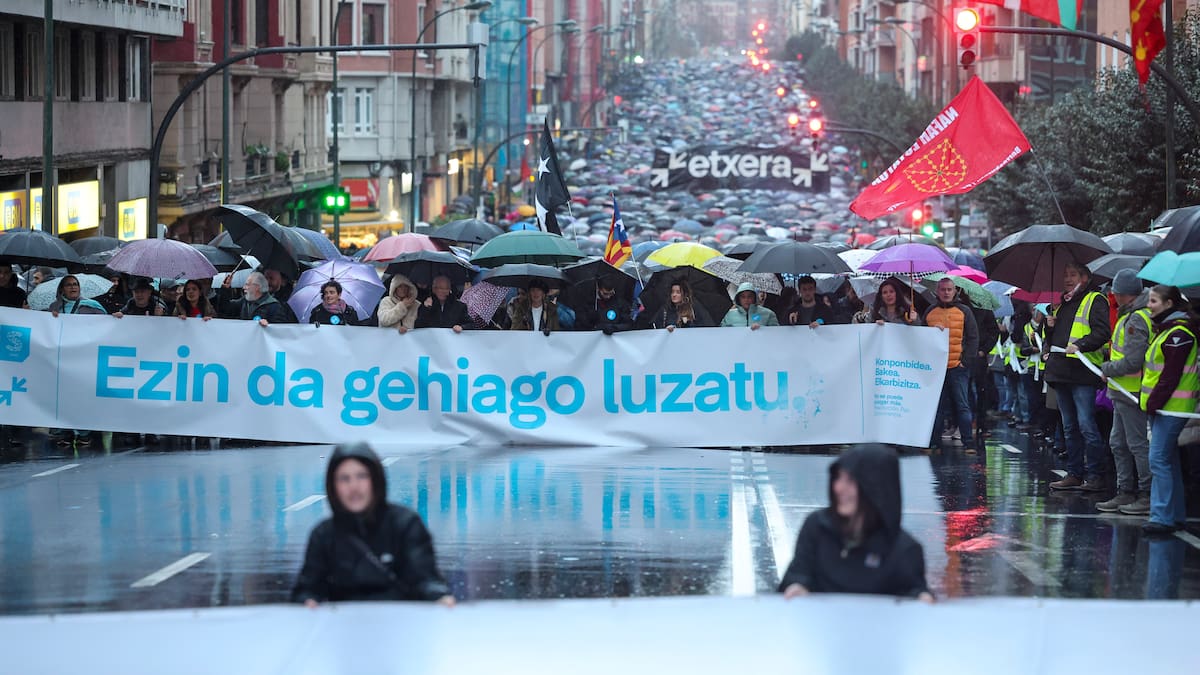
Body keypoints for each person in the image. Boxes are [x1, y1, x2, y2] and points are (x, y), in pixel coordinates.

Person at [291, 443, 455, 605]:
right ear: (333, 486)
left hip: (399, 617)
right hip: (344, 620)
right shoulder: (323, 535)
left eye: (362, 476)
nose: (354, 487)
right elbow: (307, 589)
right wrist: (307, 601)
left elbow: (425, 578)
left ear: (376, 480)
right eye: (344, 479)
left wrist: (438, 597)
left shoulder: (406, 524)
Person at [778, 444, 933, 601]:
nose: (839, 488)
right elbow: (797, 574)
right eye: (838, 478)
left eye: (850, 481)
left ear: (876, 487)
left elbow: (915, 595)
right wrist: (796, 586)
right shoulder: (817, 528)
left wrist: (921, 598)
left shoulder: (904, 550)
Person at [1044, 262, 1112, 492]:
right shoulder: (1062, 303)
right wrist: (1049, 328)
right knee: (1069, 427)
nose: (1067, 279)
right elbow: (1055, 340)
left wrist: (1081, 345)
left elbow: (1102, 332)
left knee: (1086, 425)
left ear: (1085, 278)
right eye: (1065, 275)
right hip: (1061, 373)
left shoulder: (1095, 299)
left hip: (1083, 373)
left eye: (1072, 275)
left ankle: (1095, 475)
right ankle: (1074, 473)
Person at [1138, 285, 1199, 535]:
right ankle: (1174, 515)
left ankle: (1162, 517)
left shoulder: (1178, 334)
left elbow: (1170, 376)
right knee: (1168, 460)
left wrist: (1153, 403)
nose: (1148, 305)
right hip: (1168, 407)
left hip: (1171, 407)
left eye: (1153, 301)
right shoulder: (1170, 331)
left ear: (1169, 304)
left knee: (1159, 460)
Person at [1097, 270, 1152, 515]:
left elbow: (1132, 361)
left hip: (1131, 392)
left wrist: (1107, 368)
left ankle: (1146, 494)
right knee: (1118, 443)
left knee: (1136, 444)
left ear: (1121, 293)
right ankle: (1125, 491)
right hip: (1121, 391)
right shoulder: (1130, 315)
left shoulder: (1136, 319)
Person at [924, 277, 979, 449]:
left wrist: (965, 361)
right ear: (937, 291)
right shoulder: (930, 312)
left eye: (949, 289)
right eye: (943, 289)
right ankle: (934, 443)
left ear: (955, 291)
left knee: (962, 406)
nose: (946, 292)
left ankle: (968, 442)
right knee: (937, 408)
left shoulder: (964, 311)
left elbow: (973, 337)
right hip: (937, 368)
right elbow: (921, 337)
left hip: (957, 367)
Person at [218, 270, 291, 326]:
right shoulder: (245, 301)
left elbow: (280, 330)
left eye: (247, 284)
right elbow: (226, 309)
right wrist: (225, 289)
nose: (244, 287)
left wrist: (268, 325)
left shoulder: (274, 306)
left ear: (257, 287)